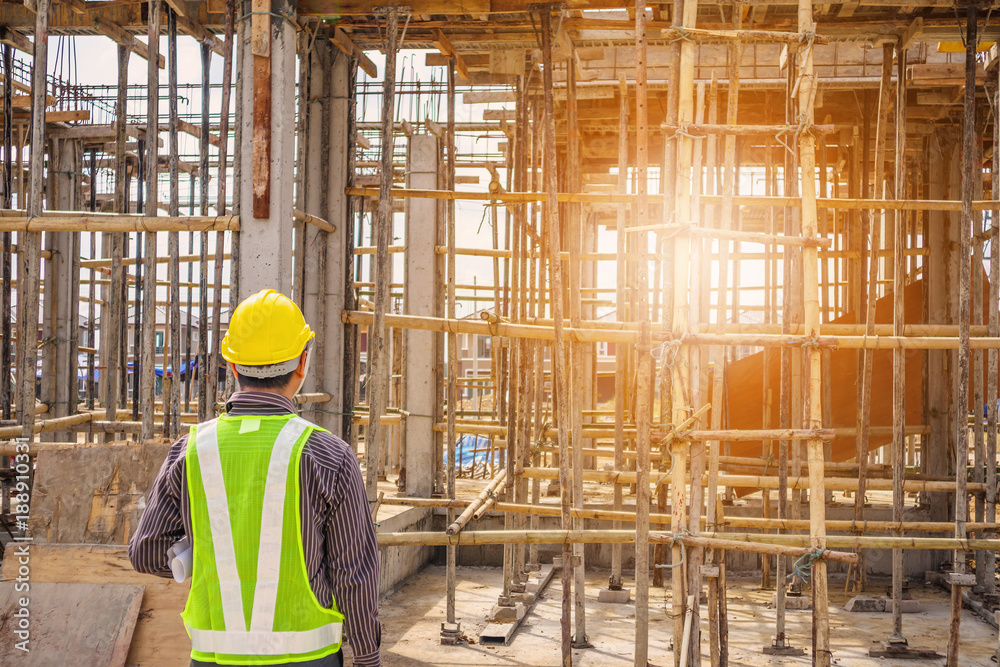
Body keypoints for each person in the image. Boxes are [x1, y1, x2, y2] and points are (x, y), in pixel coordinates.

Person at [130, 288, 381, 667]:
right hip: (308, 659)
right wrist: (367, 658)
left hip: (215, 658)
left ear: (232, 367)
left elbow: (146, 552)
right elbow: (353, 575)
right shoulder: (329, 456)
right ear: (302, 363)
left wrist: (211, 556)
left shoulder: (190, 451)